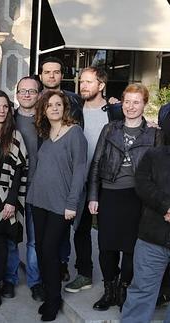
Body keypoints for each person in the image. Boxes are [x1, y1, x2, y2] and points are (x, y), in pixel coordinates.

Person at [88, 83, 164, 311]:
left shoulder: (154, 133)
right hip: (110, 195)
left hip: (138, 199)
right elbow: (96, 164)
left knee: (131, 249)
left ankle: (123, 290)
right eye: (127, 102)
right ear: (122, 103)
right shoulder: (110, 129)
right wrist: (93, 195)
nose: (131, 107)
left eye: (136, 102)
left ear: (144, 104)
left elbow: (160, 170)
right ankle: (109, 290)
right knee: (106, 248)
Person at [26, 91, 87, 321]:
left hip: (61, 204)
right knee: (41, 249)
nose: (54, 108)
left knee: (51, 250)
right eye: (49, 105)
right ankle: (51, 294)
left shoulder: (75, 133)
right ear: (43, 109)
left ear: (65, 107)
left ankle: (54, 300)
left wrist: (72, 203)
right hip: (38, 200)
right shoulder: (45, 133)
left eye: (58, 104)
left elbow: (80, 170)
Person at [64, 67, 124, 294]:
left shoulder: (115, 112)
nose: (83, 86)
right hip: (81, 179)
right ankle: (84, 273)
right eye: (82, 82)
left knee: (109, 230)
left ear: (101, 85)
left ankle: (114, 277)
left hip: (108, 181)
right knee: (81, 229)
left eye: (89, 82)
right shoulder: (74, 111)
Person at [0, 90, 28, 308]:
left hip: (3, 199)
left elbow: (20, 170)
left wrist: (11, 201)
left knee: (2, 243)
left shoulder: (14, 135)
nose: (1, 110)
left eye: (5, 106)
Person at [3, 76, 45, 302]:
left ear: (39, 94)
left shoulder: (46, 121)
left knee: (35, 240)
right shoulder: (8, 120)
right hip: (12, 189)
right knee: (11, 237)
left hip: (38, 189)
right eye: (22, 91)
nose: (27, 95)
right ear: (16, 94)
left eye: (32, 91)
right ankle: (9, 278)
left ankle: (35, 281)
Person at [120, 144, 170, 323]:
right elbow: (142, 183)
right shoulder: (154, 155)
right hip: (153, 238)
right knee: (142, 291)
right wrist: (165, 206)